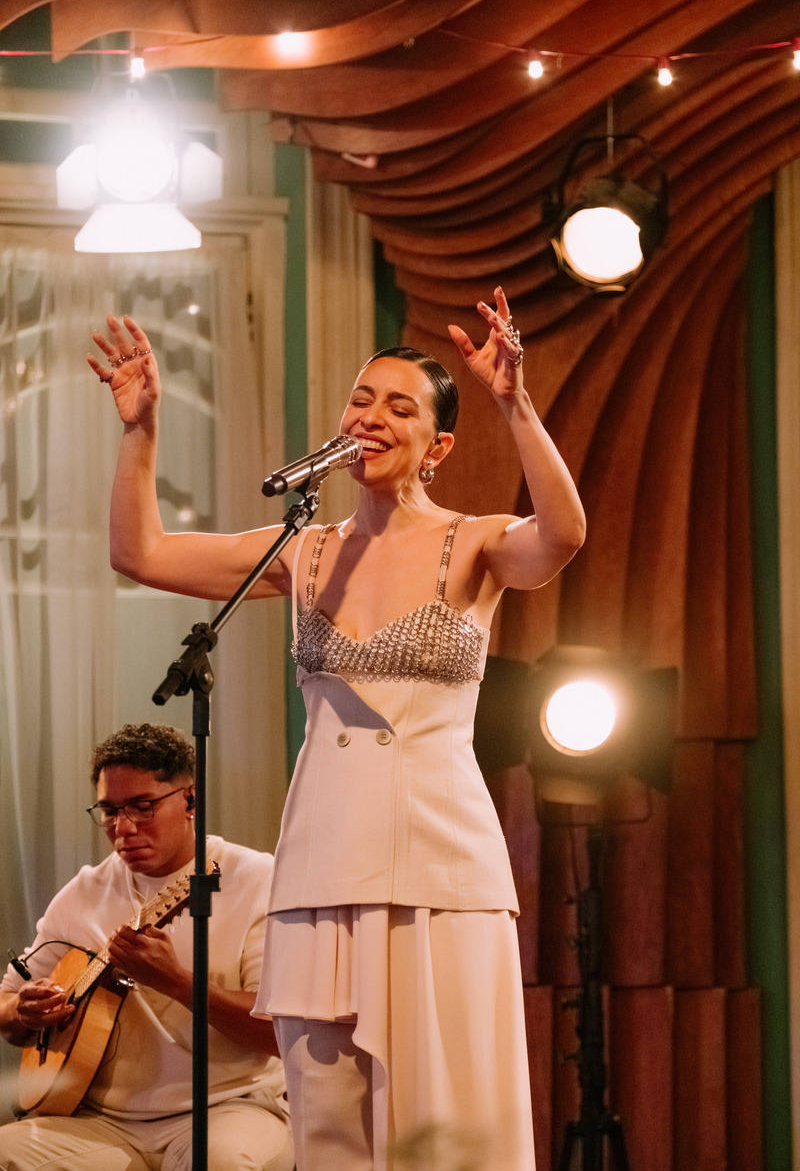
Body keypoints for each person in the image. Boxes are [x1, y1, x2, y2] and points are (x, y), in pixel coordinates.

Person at [87, 287, 586, 1170]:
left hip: (437, 866)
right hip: (322, 860)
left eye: (401, 406)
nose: (373, 416)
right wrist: (140, 431)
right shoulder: (304, 549)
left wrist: (515, 403)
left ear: (437, 446)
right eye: (362, 399)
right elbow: (143, 554)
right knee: (330, 1124)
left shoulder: (473, 542)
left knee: (448, 1124)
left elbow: (565, 535)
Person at [0, 723, 293, 1171]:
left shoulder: (256, 879)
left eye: (143, 806)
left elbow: (279, 1033)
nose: (123, 827)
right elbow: (6, 1003)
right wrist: (23, 1011)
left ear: (191, 800)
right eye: (109, 810)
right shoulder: (84, 891)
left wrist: (177, 982)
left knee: (220, 1162)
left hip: (230, 1107)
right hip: (99, 1121)